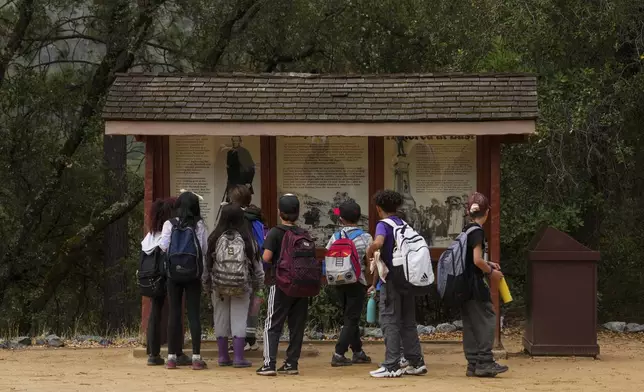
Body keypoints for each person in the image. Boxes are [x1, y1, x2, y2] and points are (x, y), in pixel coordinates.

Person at [366, 190, 426, 378]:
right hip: (408, 278)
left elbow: (379, 242)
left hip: (391, 280)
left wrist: (370, 250)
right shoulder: (403, 223)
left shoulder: (383, 225)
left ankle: (391, 364)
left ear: (378, 208)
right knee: (408, 321)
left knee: (389, 321)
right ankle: (416, 362)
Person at [205, 203, 264, 368]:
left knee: (220, 318)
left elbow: (206, 265)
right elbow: (257, 267)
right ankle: (239, 357)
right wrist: (258, 287)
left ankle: (223, 356)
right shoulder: (247, 239)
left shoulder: (214, 238)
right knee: (239, 318)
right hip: (242, 286)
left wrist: (207, 285)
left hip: (219, 286)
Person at [256, 194, 309, 376]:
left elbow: (267, 257)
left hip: (280, 284)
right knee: (297, 325)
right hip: (302, 286)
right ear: (297, 213)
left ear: (280, 212)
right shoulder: (303, 233)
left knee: (272, 323)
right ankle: (291, 364)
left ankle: (269, 364)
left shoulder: (275, 232)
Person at [158, 191, 209, 370]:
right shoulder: (199, 225)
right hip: (193, 274)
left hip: (173, 274)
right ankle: (196, 357)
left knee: (174, 313)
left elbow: (163, 246)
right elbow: (203, 249)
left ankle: (171, 357)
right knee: (194, 314)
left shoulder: (169, 224)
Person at [461, 192, 509, 377]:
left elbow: (471, 259)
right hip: (475, 285)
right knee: (488, 318)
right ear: (487, 213)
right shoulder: (478, 231)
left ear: (469, 212)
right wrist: (492, 272)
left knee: (471, 323)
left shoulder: (466, 230)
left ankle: (473, 363)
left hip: (463, 286)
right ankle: (485, 361)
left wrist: (488, 264)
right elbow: (476, 260)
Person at [141, 197, 192, 366]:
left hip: (151, 278)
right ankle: (176, 351)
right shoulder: (169, 232)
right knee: (175, 311)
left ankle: (153, 354)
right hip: (168, 275)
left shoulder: (149, 237)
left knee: (155, 311)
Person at [326, 200, 373, 367]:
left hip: (338, 281)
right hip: (356, 281)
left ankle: (358, 352)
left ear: (341, 219)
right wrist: (369, 281)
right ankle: (339, 353)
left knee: (349, 316)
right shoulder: (366, 237)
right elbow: (370, 261)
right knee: (351, 318)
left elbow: (328, 255)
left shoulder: (335, 237)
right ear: (359, 217)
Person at [228, 184, 267, 351]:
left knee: (237, 304)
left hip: (238, 268)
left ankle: (239, 340)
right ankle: (251, 339)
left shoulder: (232, 220)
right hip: (257, 268)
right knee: (254, 305)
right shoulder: (257, 219)